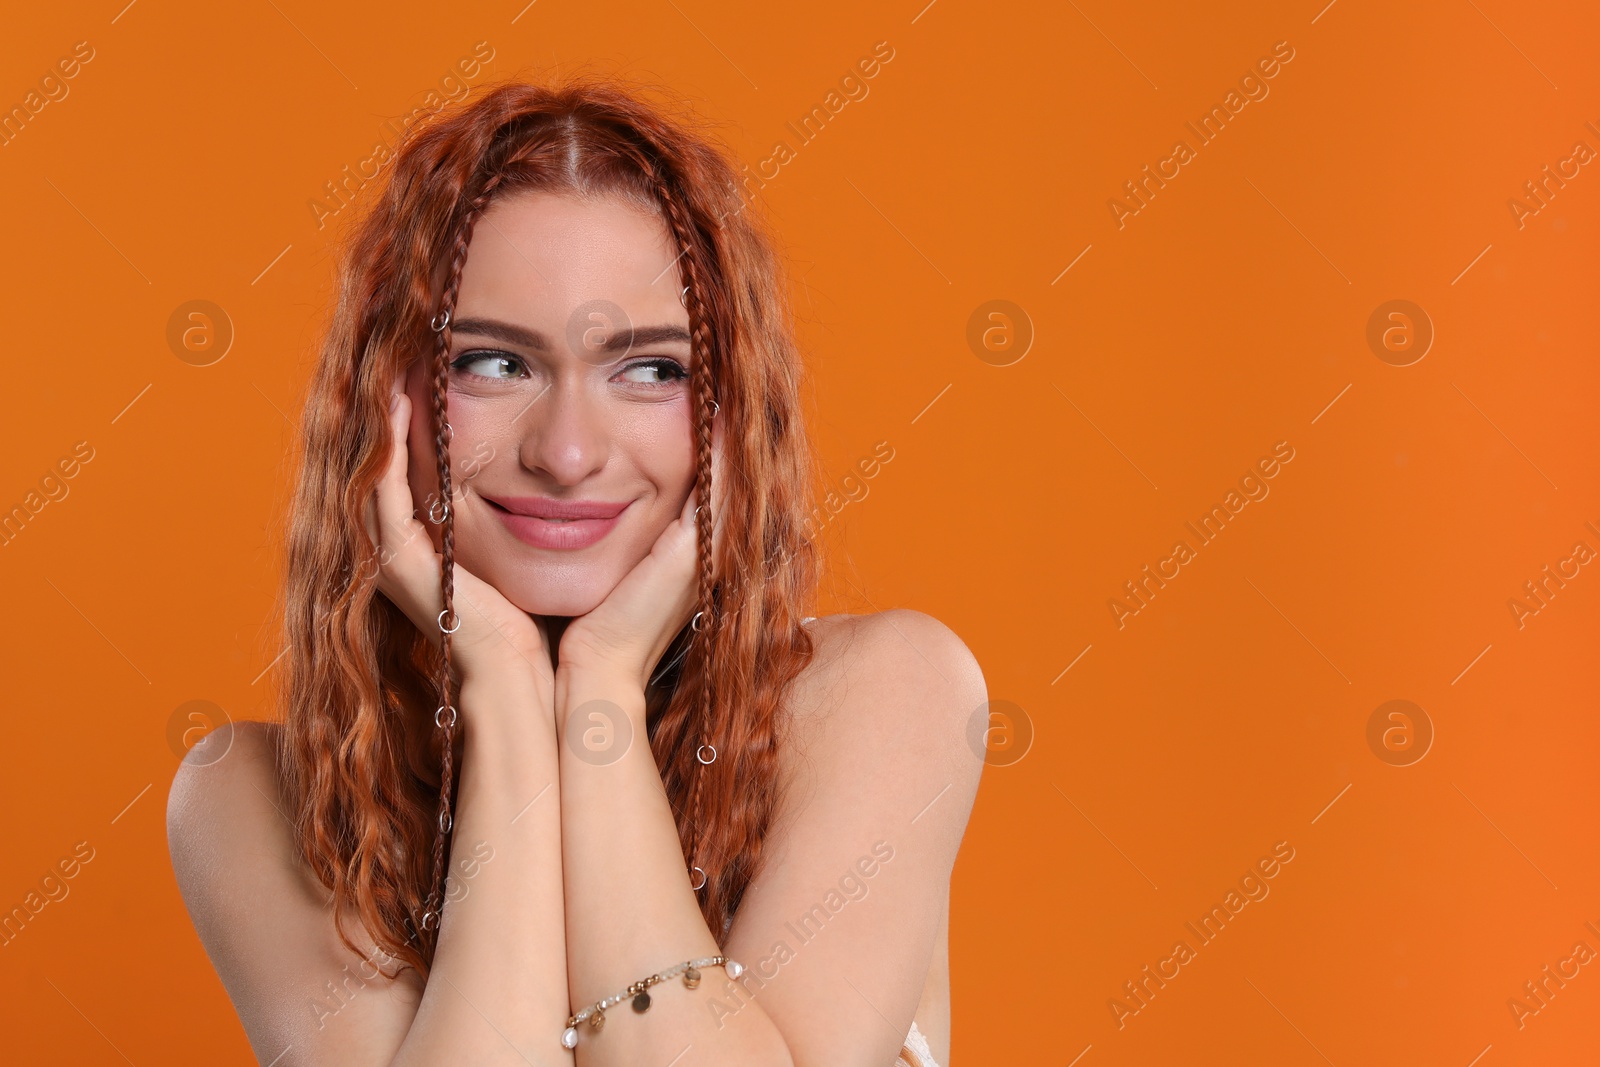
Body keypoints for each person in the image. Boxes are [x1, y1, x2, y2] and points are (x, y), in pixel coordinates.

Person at [166, 75, 986, 1067]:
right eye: (494, 364)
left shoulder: (881, 697)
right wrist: (508, 686)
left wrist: (596, 683)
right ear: (386, 402)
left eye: (649, 369)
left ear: (734, 410)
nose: (566, 451)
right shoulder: (251, 800)